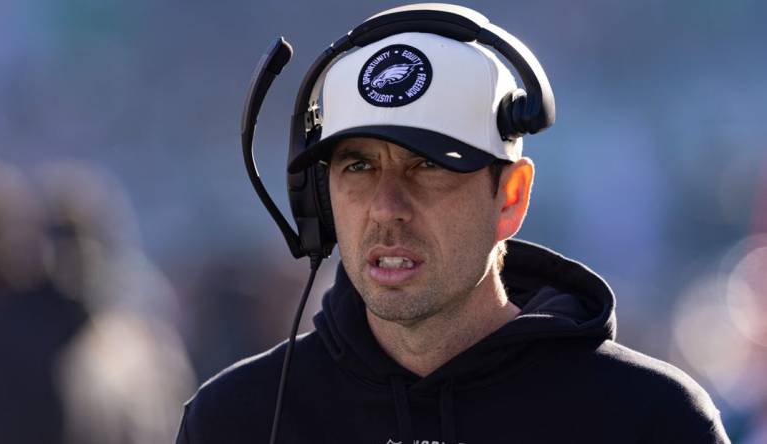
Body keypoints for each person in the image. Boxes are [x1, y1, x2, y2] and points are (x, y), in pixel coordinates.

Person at [176, 5, 730, 443]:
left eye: (428, 166)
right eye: (359, 166)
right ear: (319, 199)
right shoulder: (235, 421)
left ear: (510, 197)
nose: (386, 206)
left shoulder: (653, 419)